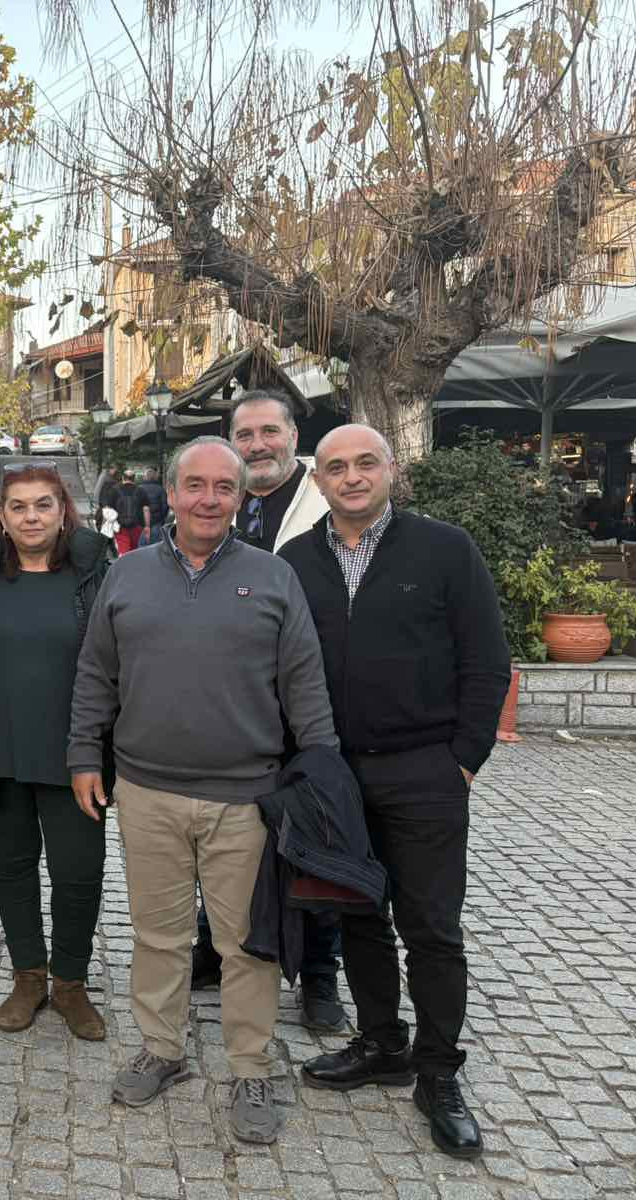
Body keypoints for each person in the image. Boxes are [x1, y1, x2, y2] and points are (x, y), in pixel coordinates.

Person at [68, 436, 337, 1145]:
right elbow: (96, 674)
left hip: (246, 797)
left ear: (241, 497)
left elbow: (304, 682)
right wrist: (83, 755)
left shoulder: (274, 577)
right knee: (158, 936)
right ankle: (162, 1050)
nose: (209, 499)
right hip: (146, 791)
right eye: (195, 485)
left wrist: (323, 772)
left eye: (224, 487)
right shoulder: (126, 574)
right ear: (171, 493)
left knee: (246, 943)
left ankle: (251, 1067)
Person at [281, 424, 510, 1160]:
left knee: (432, 928)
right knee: (358, 915)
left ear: (391, 470)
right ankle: (382, 1043)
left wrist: (463, 760)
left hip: (424, 770)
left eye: (365, 464)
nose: (351, 477)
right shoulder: (297, 561)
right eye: (336, 467)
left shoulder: (445, 550)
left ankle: (438, 1072)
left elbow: (487, 660)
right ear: (318, 480)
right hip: (335, 774)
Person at [191, 390, 345, 1033]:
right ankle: (213, 945)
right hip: (232, 709)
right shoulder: (217, 504)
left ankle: (319, 974)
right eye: (245, 434)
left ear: (293, 437)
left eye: (269, 432)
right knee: (224, 833)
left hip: (310, 705)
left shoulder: (326, 504)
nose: (257, 445)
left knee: (313, 840)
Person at [0, 463, 111, 1041]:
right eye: (18, 507)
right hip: (3, 750)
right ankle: (28, 976)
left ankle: (70, 982)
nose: (31, 517)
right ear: (3, 515)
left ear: (63, 511)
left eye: (43, 505)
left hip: (76, 754)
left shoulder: (97, 573)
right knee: (12, 868)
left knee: (78, 873)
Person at [112, 470, 146, 553]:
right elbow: (146, 509)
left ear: (123, 478)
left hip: (120, 526)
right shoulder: (140, 490)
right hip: (136, 525)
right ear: (134, 479)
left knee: (123, 550)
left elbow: (109, 509)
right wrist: (147, 525)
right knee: (134, 550)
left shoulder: (115, 490)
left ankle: (124, 560)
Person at [138, 467, 168, 533]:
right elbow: (165, 506)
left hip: (142, 520)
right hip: (157, 520)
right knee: (156, 538)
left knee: (142, 538)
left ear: (144, 477)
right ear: (155, 477)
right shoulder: (161, 489)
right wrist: (162, 518)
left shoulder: (138, 489)